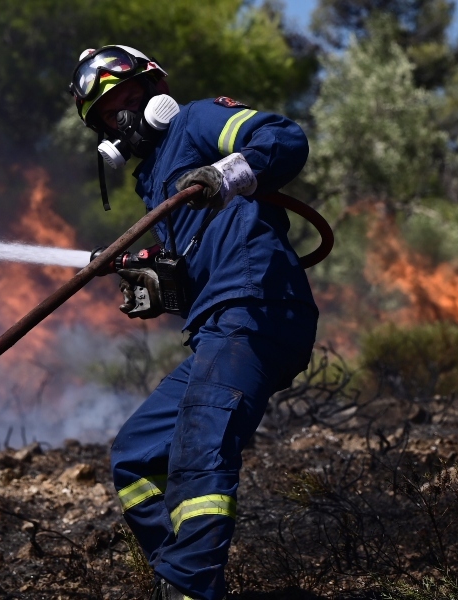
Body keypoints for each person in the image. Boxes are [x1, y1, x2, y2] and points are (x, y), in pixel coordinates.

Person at [69, 45, 319, 600]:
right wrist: (150, 276)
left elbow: (283, 136)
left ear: (156, 91)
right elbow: (192, 265)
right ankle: (182, 576)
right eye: (111, 112)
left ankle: (187, 585)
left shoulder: (198, 120)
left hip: (256, 306)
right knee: (137, 456)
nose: (126, 114)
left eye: (131, 97)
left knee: (200, 445)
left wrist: (229, 171)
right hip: (217, 323)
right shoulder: (153, 181)